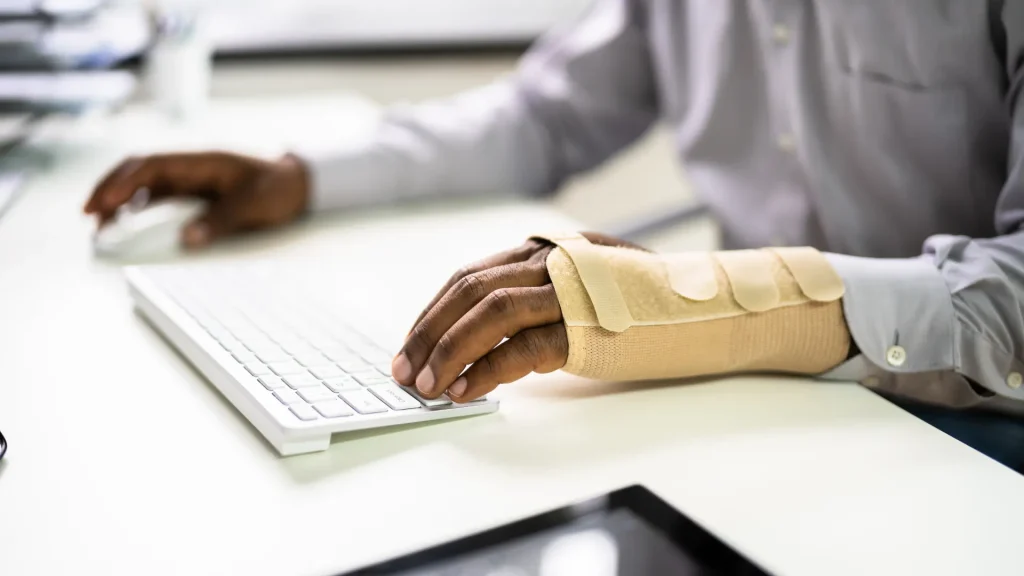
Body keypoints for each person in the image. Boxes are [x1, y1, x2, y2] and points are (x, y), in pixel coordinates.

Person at [85, 2, 1024, 470]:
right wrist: (300, 177)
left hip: (972, 421)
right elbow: (544, 119)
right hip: (753, 393)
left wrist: (699, 303)